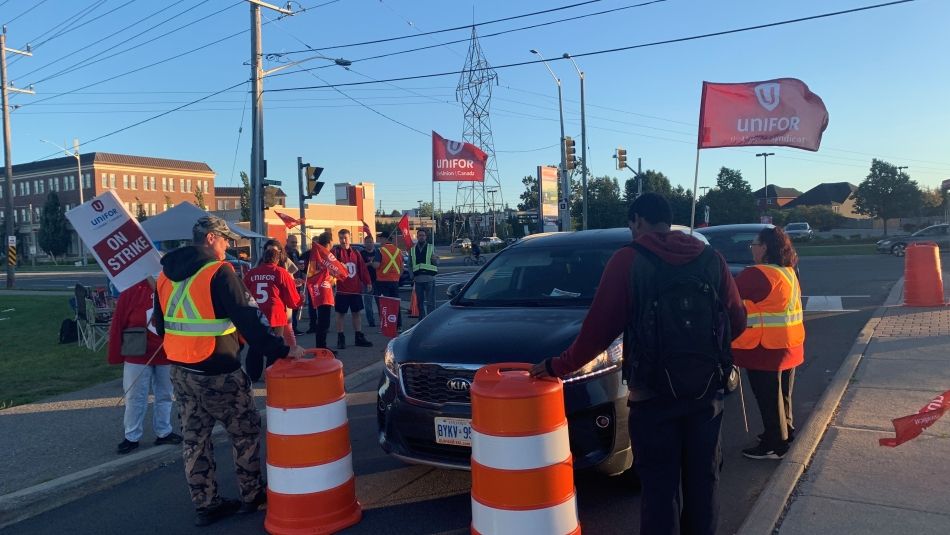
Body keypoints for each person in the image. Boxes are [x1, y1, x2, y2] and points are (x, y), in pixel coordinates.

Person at [530, 193, 747, 535]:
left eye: (631, 225)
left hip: (652, 396)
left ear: (637, 221)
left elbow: (597, 332)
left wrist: (558, 366)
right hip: (706, 394)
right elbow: (737, 321)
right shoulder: (711, 258)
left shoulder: (628, 260)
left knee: (659, 491)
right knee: (704, 484)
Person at [154, 215, 305, 527]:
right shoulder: (218, 272)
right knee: (244, 431)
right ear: (211, 238)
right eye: (225, 240)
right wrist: (281, 350)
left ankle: (206, 503)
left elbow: (159, 325)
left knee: (195, 438)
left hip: (181, 371)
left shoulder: (165, 276)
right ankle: (251, 495)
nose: (228, 247)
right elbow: (250, 319)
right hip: (219, 371)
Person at [733, 226, 804, 460]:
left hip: (765, 348)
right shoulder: (787, 271)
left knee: (767, 397)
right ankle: (785, 433)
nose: (752, 249)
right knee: (782, 394)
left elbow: (728, 295)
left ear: (764, 248)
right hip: (788, 344)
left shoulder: (758, 274)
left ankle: (775, 445)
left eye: (753, 244)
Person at [108, 276, 181, 455]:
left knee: (165, 394)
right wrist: (116, 352)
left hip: (165, 352)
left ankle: (163, 431)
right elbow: (118, 322)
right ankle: (132, 436)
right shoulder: (131, 292)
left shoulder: (173, 289)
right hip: (137, 353)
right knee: (135, 397)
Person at [243, 242, 302, 380]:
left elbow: (243, 292)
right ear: (277, 259)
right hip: (275, 314)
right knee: (275, 344)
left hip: (256, 313)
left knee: (255, 344)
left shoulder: (252, 273)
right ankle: (272, 373)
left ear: (263, 258)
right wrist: (300, 300)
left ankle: (253, 375)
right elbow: (292, 299)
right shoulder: (281, 272)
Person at [331, 229, 373, 349]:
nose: (343, 240)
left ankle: (358, 336)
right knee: (340, 314)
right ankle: (340, 338)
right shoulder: (335, 252)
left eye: (345, 238)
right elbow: (329, 268)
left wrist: (368, 282)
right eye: (341, 238)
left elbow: (362, 269)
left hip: (355, 289)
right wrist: (338, 267)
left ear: (349, 238)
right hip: (342, 290)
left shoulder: (355, 252)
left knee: (356, 313)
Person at [305, 232, 347, 350]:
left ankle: (322, 346)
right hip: (323, 290)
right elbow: (334, 269)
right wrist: (342, 268)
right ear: (329, 242)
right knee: (324, 322)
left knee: (323, 321)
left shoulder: (316, 253)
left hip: (320, 288)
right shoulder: (325, 254)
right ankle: (321, 347)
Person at [376, 235, 403, 330]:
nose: (379, 241)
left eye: (380, 239)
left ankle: (386, 326)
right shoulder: (398, 251)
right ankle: (398, 325)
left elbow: (376, 265)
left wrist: (371, 263)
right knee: (395, 304)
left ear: (385, 239)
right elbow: (401, 268)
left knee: (384, 304)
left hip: (383, 281)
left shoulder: (380, 250)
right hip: (395, 281)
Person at [409, 229, 438, 319]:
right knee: (419, 303)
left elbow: (437, 262)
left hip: (429, 279)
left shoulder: (431, 247)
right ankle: (421, 321)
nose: (421, 237)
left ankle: (431, 321)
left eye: (423, 235)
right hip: (418, 280)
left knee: (431, 302)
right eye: (420, 235)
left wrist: (435, 260)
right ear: (417, 237)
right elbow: (410, 264)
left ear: (426, 237)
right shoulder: (412, 250)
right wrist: (412, 276)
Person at [359, 235, 382, 327]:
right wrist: (369, 263)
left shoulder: (377, 252)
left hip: (377, 281)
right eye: (367, 242)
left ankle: (382, 321)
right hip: (366, 282)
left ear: (373, 243)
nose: (369, 244)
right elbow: (359, 266)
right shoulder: (362, 253)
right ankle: (371, 322)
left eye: (371, 242)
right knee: (368, 304)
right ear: (365, 243)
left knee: (379, 302)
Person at [285, 235, 304, 335]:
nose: (294, 244)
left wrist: (301, 268)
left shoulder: (296, 252)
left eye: (296, 242)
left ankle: (294, 327)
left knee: (296, 305)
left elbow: (298, 265)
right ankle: (290, 328)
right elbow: (286, 268)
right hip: (289, 282)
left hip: (297, 281)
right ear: (287, 241)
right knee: (290, 306)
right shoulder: (284, 253)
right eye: (292, 242)